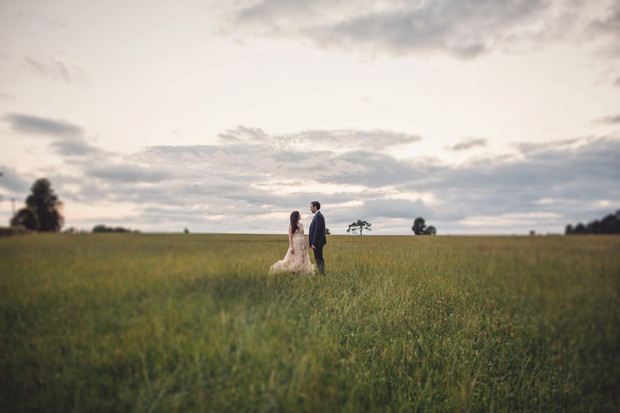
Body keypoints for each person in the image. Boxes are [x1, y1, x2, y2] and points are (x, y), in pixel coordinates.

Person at [269, 211, 315, 275]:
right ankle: (293, 271)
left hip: (303, 243)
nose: (300, 216)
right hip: (296, 243)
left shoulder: (301, 225)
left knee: (303, 258)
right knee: (296, 258)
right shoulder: (291, 225)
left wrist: (308, 244)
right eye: (299, 215)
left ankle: (300, 272)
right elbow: (290, 236)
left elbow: (303, 236)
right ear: (296, 216)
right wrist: (291, 247)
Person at [309, 201, 326, 274]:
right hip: (317, 242)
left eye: (311, 207)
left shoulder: (319, 216)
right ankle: (321, 272)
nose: (310, 209)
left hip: (318, 242)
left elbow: (317, 231)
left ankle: (322, 273)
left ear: (315, 207)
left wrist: (314, 243)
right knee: (318, 258)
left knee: (319, 258)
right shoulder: (317, 216)